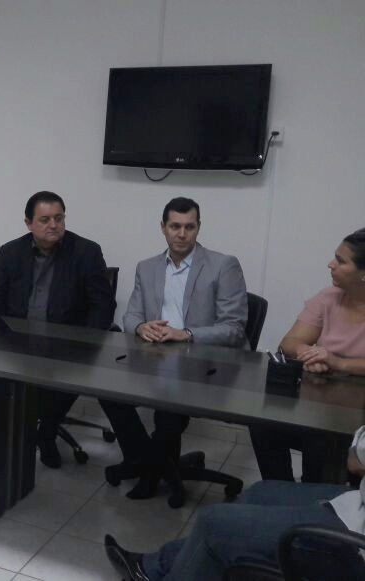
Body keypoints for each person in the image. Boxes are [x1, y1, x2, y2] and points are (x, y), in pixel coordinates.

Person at [100, 197, 248, 499]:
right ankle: (146, 458)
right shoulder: (147, 267)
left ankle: (149, 473)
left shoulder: (223, 265)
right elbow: (131, 316)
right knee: (108, 391)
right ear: (163, 228)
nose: (182, 234)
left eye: (189, 227)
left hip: (203, 362)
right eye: (175, 226)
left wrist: (187, 334)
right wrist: (141, 327)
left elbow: (234, 328)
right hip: (155, 356)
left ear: (198, 228)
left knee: (169, 407)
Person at [105, 425, 365, 581]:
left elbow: (355, 459)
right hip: (355, 504)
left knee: (213, 524)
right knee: (259, 492)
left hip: (356, 545)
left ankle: (158, 569)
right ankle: (151, 569)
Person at [0, 191, 114, 467]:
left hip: (66, 342)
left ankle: (47, 432)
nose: (53, 225)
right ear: (29, 223)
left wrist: (85, 343)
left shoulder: (86, 252)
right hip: (18, 342)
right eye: (45, 220)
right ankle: (6, 429)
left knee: (72, 370)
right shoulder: (10, 253)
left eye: (59, 218)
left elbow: (102, 306)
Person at [250, 228, 365, 482]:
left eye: (341, 261)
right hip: (320, 404)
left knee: (322, 440)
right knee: (262, 423)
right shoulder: (328, 298)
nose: (330, 264)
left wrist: (338, 362)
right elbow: (289, 342)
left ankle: (314, 497)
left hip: (357, 417)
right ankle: (280, 491)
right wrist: (309, 353)